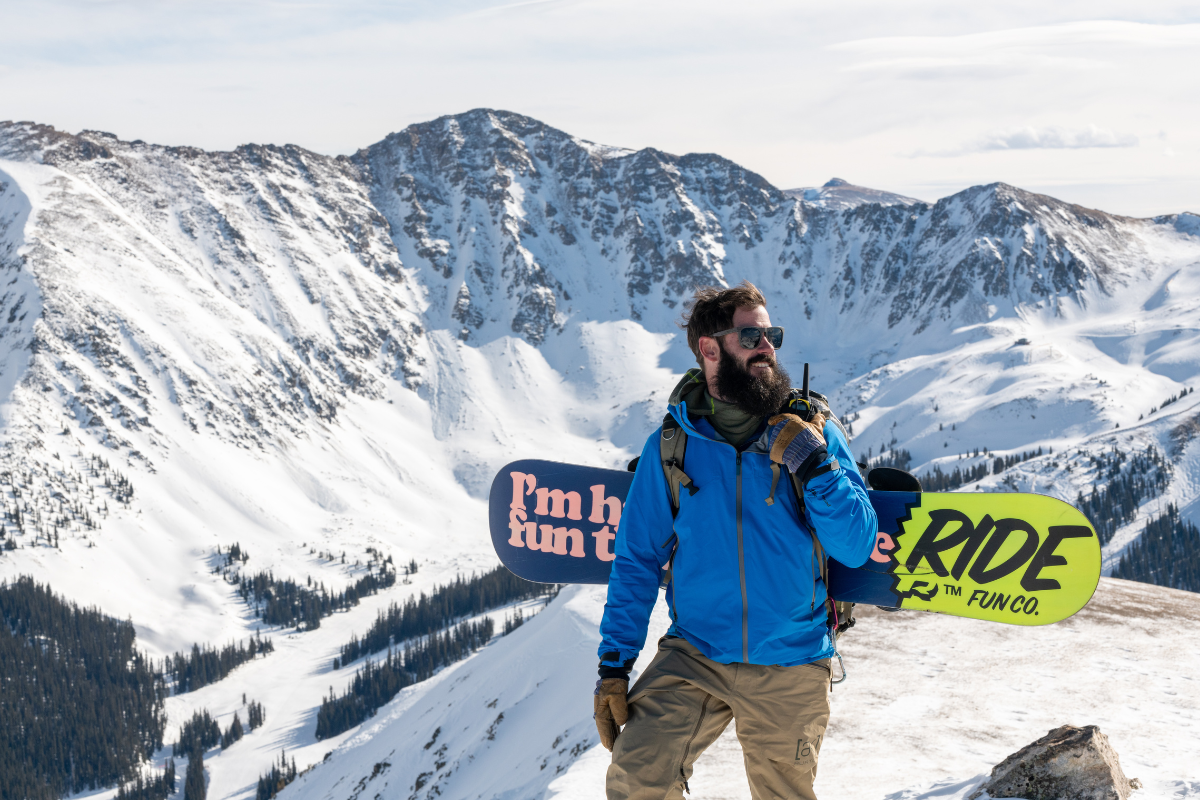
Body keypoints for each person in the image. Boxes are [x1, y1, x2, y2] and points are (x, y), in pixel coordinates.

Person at [593, 281, 877, 800]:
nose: (767, 346)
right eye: (751, 336)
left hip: (789, 658)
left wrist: (813, 462)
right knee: (636, 780)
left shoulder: (813, 431)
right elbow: (636, 559)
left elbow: (856, 545)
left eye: (772, 335)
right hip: (696, 653)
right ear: (709, 349)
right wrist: (613, 667)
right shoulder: (673, 444)